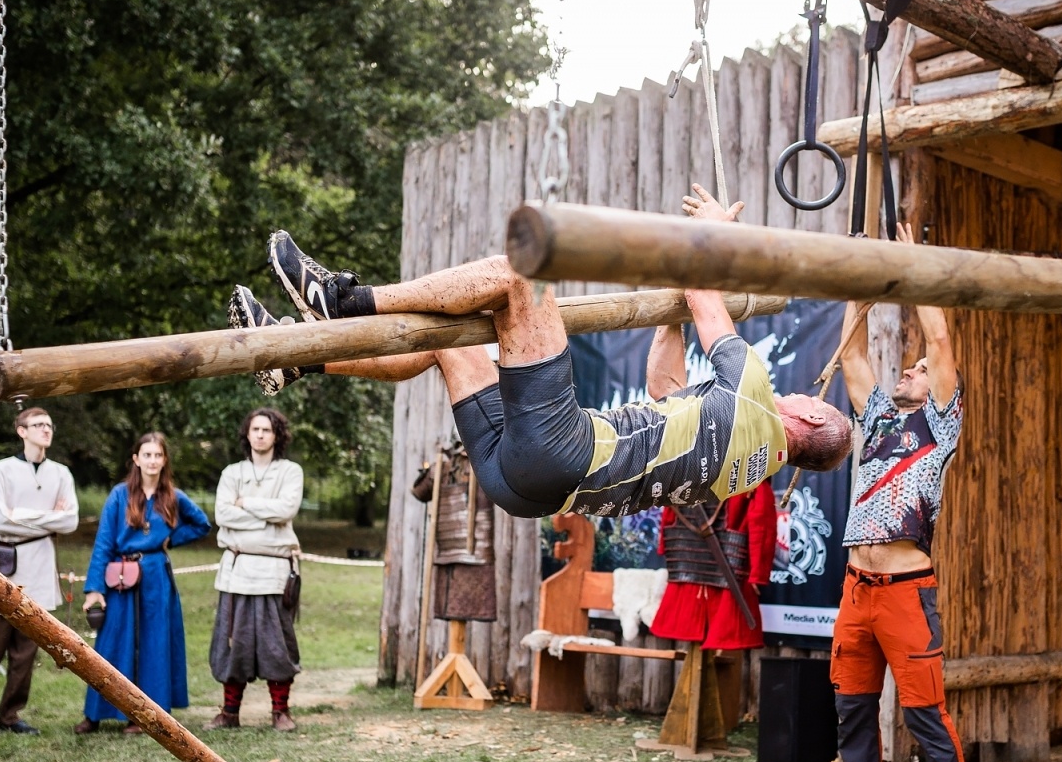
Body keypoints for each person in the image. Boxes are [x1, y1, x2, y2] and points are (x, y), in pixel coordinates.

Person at [225, 184, 853, 521]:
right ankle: (297, 357)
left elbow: (701, 291)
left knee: (519, 275)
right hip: (528, 492)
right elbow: (664, 390)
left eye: (813, 400)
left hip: (564, 452)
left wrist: (715, 236)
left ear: (811, 417)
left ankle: (345, 301)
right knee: (451, 345)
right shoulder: (749, 469)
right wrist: (674, 320)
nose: (803, 394)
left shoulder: (753, 395)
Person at [829, 224, 978, 762]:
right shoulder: (878, 418)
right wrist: (858, 281)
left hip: (905, 592)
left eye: (917, 370)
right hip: (855, 589)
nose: (909, 370)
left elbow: (940, 342)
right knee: (851, 710)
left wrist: (914, 266)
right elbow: (851, 355)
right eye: (907, 367)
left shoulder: (939, 424)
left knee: (924, 716)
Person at [642, 320, 777, 652]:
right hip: (698, 553)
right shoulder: (746, 453)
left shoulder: (744, 455)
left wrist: (757, 573)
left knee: (719, 641)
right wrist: (757, 574)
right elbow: (761, 521)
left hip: (714, 555)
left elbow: (760, 518)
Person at [78, 433, 211, 734]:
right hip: (121, 575)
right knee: (112, 641)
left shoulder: (173, 497)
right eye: (147, 455)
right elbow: (103, 542)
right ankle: (95, 713)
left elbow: (202, 524)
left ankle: (145, 715)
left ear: (164, 460)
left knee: (154, 642)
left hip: (155, 577)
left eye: (158, 455)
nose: (152, 460)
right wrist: (95, 588)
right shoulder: (119, 495)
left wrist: (171, 539)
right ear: (136, 459)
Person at [0, 407, 78, 736]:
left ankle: (10, 716)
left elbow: (70, 521)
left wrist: (19, 515)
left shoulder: (61, 473)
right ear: (22, 431)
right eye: (37, 425)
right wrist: (48, 517)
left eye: (49, 424)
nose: (46, 429)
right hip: (3, 564)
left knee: (25, 651)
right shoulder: (3, 469)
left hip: (40, 563)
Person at [208, 408, 304, 732]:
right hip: (236, 571)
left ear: (277, 435)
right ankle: (229, 712)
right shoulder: (231, 473)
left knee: (277, 644)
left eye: (267, 429)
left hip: (274, 573)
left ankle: (281, 711)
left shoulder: (290, 471)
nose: (260, 435)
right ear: (247, 434)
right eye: (255, 429)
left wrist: (245, 503)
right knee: (233, 643)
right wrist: (267, 518)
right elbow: (223, 515)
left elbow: (286, 509)